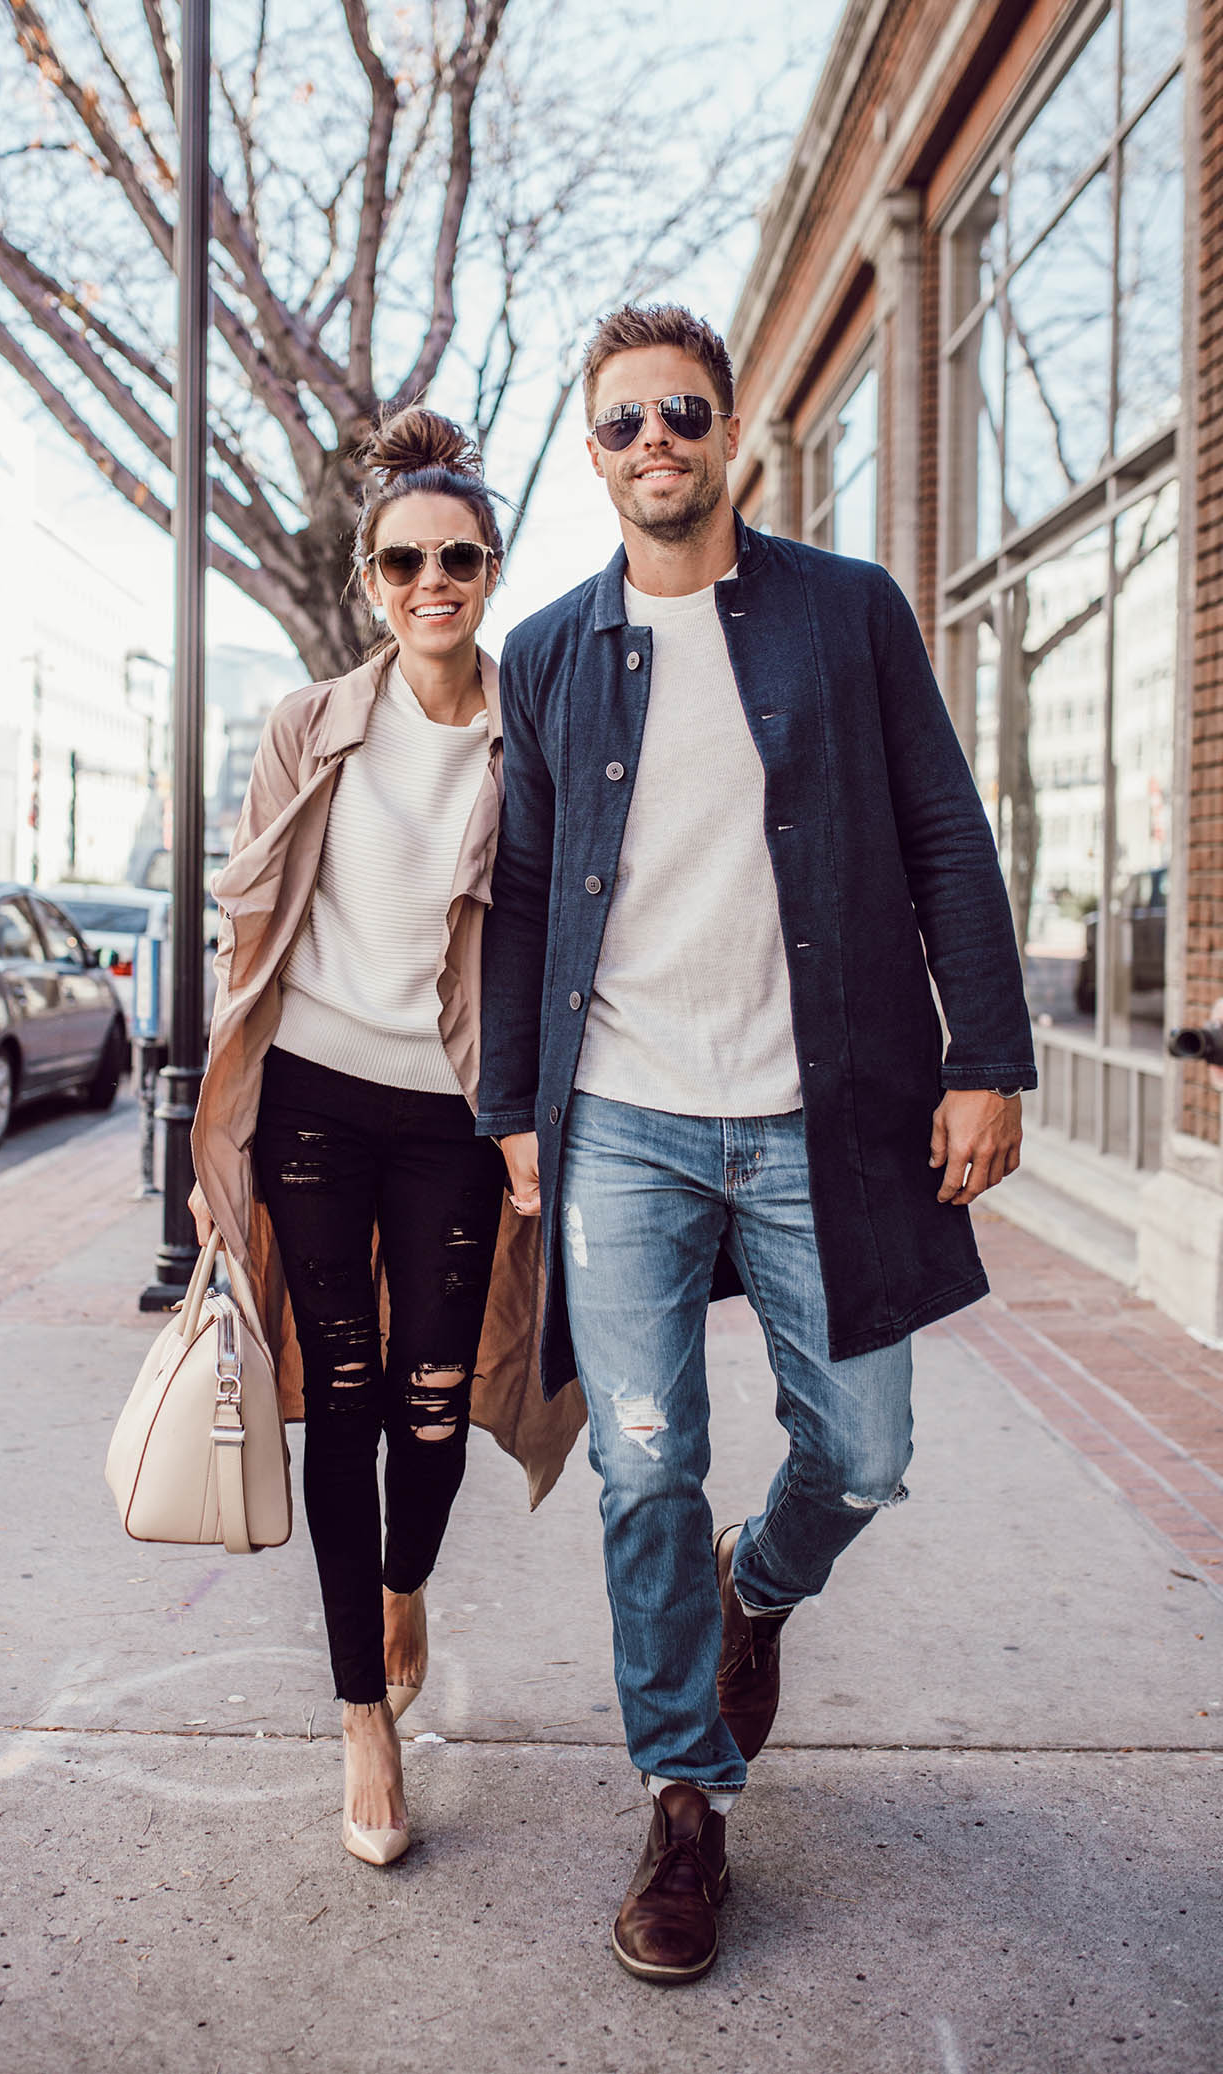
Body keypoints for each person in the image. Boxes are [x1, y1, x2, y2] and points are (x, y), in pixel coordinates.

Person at [476, 304, 1035, 1982]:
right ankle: (685, 1798)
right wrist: (514, 1103)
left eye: (684, 416)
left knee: (864, 1450)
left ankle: (760, 1581)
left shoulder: (844, 615)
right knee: (643, 1462)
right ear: (593, 454)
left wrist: (987, 1055)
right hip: (626, 1124)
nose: (657, 443)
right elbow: (517, 896)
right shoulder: (553, 651)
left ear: (734, 436)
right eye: (626, 422)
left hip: (824, 1112)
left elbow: (946, 832)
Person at [188, 408, 583, 1869]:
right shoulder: (309, 723)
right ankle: (364, 1713)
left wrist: (539, 1107)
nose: (435, 580)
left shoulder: (528, 726)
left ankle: (408, 1578)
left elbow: (551, 924)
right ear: (372, 579)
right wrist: (214, 1123)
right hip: (311, 1096)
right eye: (406, 559)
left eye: (460, 557)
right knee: (344, 1395)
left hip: (454, 1114)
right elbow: (253, 920)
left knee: (435, 1401)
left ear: (490, 570)